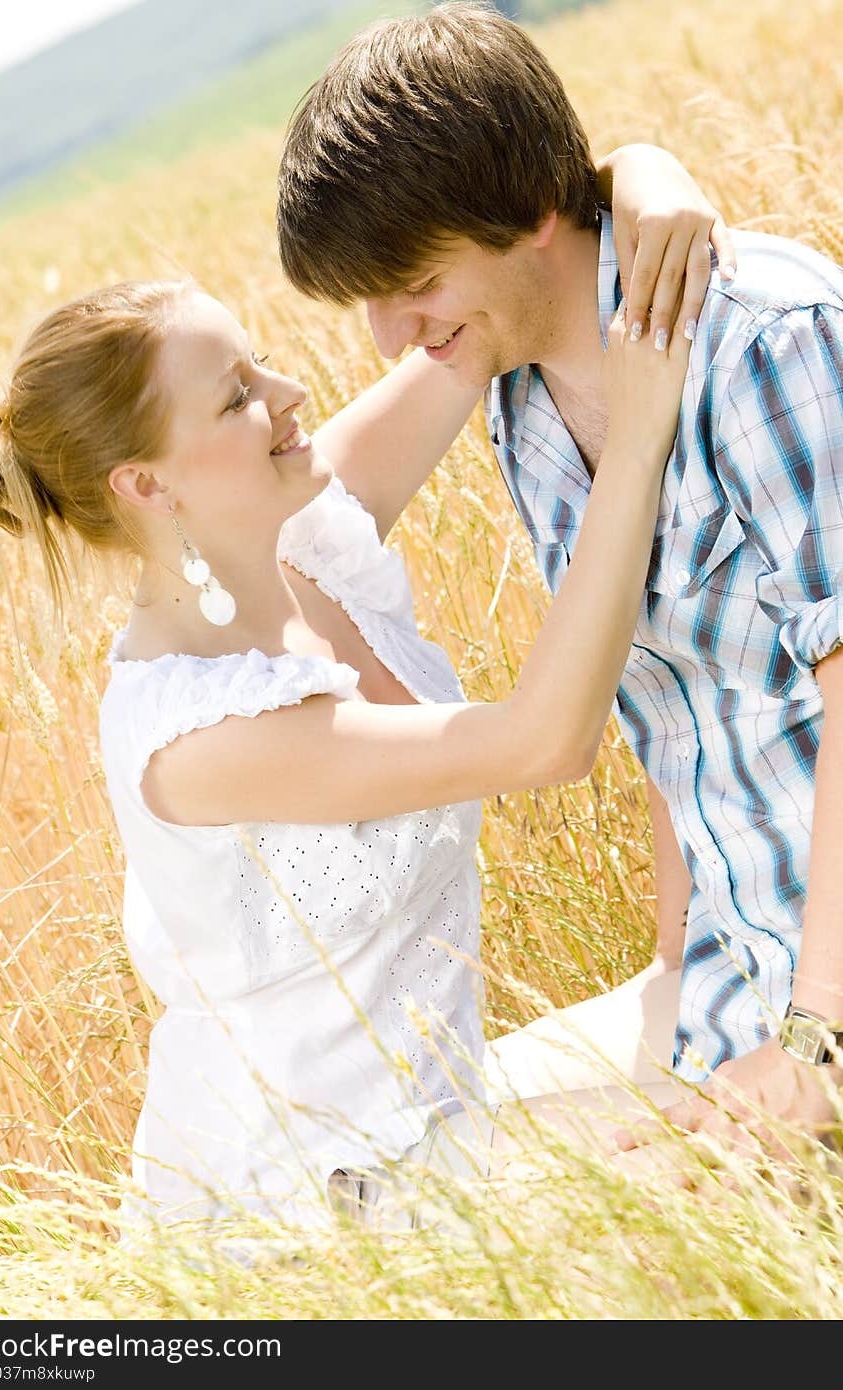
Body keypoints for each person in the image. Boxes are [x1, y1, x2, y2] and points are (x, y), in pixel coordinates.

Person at [0, 153, 711, 1229]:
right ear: (147, 483)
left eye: (257, 362)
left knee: (732, 1025)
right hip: (314, 1209)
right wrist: (635, 442)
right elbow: (543, 740)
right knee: (722, 1142)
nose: (287, 393)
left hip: (437, 1120)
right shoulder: (195, 733)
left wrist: (639, 178)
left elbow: (486, 311)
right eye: (236, 396)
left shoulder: (301, 521)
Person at [275, 0, 843, 1169]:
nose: (389, 336)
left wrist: (818, 1048)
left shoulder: (765, 340)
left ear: (534, 218)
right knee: (392, 1169)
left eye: (414, 282)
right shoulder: (520, 405)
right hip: (733, 972)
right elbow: (676, 700)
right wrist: (679, 957)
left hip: (821, 1000)